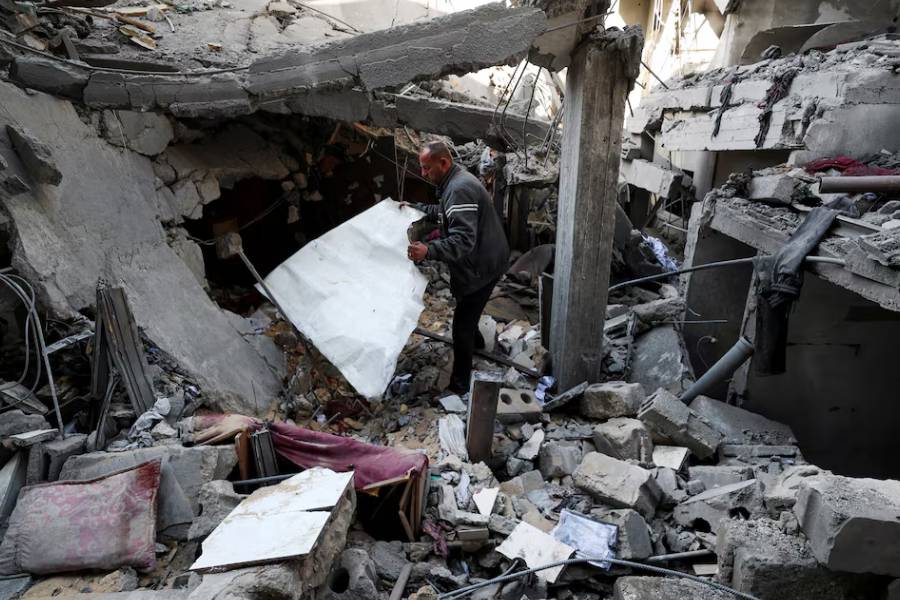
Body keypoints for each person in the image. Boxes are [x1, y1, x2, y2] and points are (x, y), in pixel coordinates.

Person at [404, 141, 510, 395]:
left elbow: (463, 240)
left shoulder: (459, 188)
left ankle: (460, 385)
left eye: (427, 168)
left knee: (461, 325)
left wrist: (429, 250)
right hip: (487, 258)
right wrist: (414, 209)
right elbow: (443, 214)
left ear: (444, 163)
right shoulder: (453, 182)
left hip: (482, 266)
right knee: (468, 307)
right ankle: (479, 343)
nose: (423, 174)